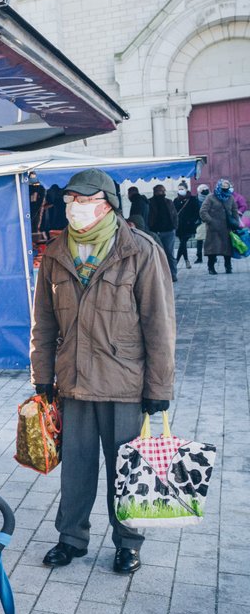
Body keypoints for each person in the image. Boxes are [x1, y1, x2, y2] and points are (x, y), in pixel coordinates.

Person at [31, 169, 175, 575]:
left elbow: (159, 325)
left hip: (124, 383)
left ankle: (128, 542)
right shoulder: (56, 254)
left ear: (108, 204)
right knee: (75, 469)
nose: (74, 208)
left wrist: (158, 387)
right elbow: (42, 321)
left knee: (125, 469)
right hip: (73, 381)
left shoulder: (140, 251)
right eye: (71, 201)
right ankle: (71, 539)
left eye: (84, 200)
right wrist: (42, 376)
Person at [200, 178, 241, 275]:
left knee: (227, 249)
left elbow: (234, 210)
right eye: (223, 188)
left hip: (227, 228)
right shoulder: (211, 197)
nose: (225, 190)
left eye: (227, 188)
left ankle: (228, 267)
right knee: (212, 249)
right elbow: (203, 211)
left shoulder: (230, 197)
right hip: (213, 229)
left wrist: (236, 222)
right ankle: (211, 268)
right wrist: (210, 221)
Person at [146, 184, 179, 282]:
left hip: (168, 231)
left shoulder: (168, 202)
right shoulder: (150, 202)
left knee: (169, 253)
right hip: (155, 231)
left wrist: (174, 227)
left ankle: (173, 274)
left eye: (162, 191)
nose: (160, 193)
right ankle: (160, 275)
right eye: (158, 191)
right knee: (157, 254)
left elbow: (174, 215)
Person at [173, 182, 201, 271]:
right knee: (183, 243)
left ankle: (176, 261)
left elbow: (197, 212)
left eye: (182, 189)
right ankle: (186, 260)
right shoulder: (176, 200)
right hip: (179, 226)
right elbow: (173, 212)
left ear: (186, 189)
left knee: (183, 242)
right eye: (179, 189)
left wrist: (191, 221)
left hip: (189, 226)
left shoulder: (192, 199)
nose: (180, 190)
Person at [195, 183, 211, 263]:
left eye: (206, 189)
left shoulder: (211, 198)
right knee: (199, 240)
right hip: (200, 222)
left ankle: (212, 257)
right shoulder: (196, 199)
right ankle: (199, 257)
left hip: (210, 221)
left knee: (210, 240)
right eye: (202, 189)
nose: (205, 191)